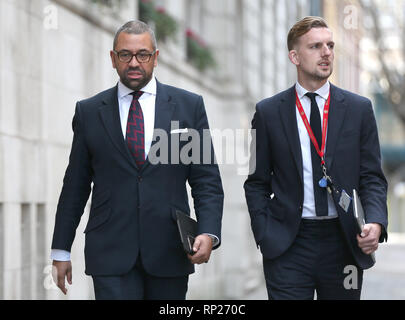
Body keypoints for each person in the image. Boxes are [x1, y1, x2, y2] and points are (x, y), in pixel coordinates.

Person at [51, 20, 224, 300]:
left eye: (142, 54)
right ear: (113, 58)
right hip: (110, 254)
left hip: (169, 251)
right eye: (125, 55)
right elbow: (75, 186)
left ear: (155, 58)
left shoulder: (188, 107)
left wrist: (208, 232)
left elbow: (206, 180)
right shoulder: (89, 112)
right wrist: (61, 249)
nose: (134, 62)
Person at [244, 16, 388, 300]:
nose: (326, 52)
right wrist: (265, 232)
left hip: (344, 242)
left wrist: (376, 221)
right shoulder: (268, 113)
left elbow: (372, 177)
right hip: (288, 243)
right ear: (294, 56)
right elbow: (256, 181)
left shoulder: (359, 110)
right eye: (316, 46)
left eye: (330, 45)